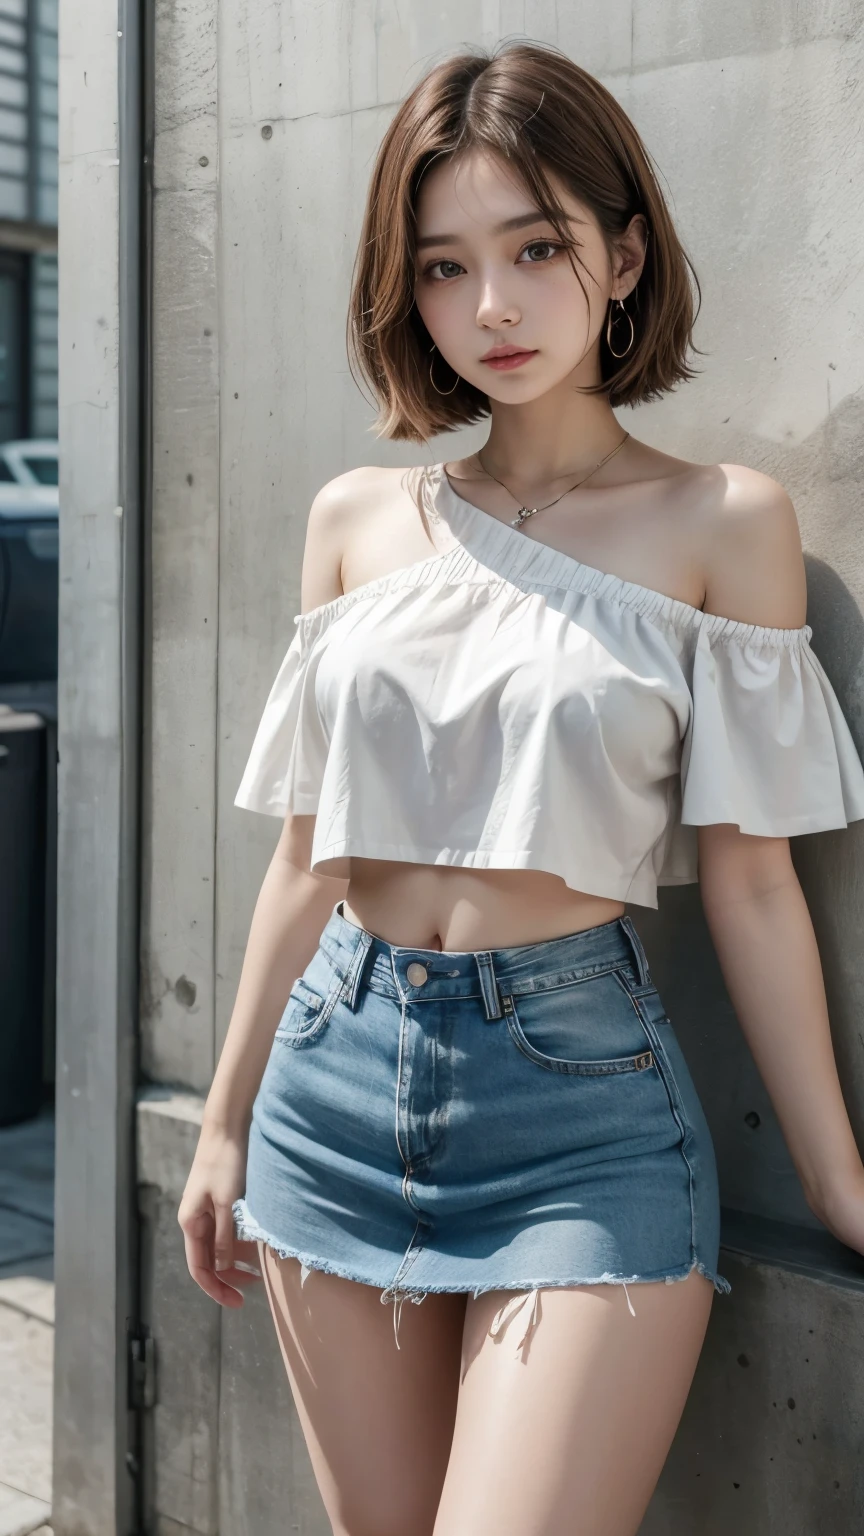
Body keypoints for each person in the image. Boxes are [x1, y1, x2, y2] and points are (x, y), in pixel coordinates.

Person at [178, 40, 864, 1536]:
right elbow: (310, 858)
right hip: (329, 1087)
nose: (488, 306)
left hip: (581, 1115)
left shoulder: (721, 524)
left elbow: (754, 887)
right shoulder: (357, 517)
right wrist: (224, 1121)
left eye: (536, 248)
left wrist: (841, 1185)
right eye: (442, 266)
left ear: (623, 256)